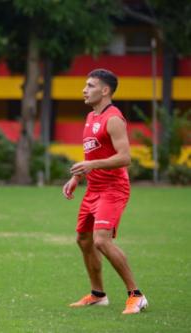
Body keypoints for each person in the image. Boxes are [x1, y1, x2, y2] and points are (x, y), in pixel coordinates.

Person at [62, 69, 148, 315]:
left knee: (101, 240)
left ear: (105, 90)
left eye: (90, 85)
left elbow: (125, 157)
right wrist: (76, 178)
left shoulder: (114, 118)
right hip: (94, 189)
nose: (84, 90)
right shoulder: (91, 117)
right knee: (84, 240)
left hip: (113, 188)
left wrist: (91, 166)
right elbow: (92, 155)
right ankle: (98, 295)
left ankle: (136, 295)